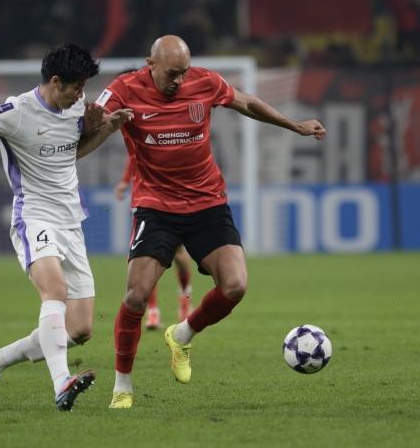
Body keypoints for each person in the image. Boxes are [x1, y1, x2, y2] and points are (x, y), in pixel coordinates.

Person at [96, 35, 326, 409]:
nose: (179, 80)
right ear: (150, 65)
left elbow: (247, 102)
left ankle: (182, 335)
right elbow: (92, 118)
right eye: (172, 73)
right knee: (136, 296)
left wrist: (294, 125)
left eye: (184, 73)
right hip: (156, 207)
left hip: (207, 203)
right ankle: (122, 386)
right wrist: (98, 124)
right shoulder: (124, 88)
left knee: (235, 285)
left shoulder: (205, 81)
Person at [0, 43, 133, 412]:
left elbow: (72, 151)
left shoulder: (77, 105)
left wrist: (108, 129)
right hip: (34, 217)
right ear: (55, 81)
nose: (81, 94)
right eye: (76, 87)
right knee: (55, 290)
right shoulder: (16, 111)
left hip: (71, 221)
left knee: (79, 329)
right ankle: (61, 383)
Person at [114, 155, 192, 329]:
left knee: (178, 253)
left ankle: (185, 297)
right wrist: (125, 181)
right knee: (145, 256)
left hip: (172, 196)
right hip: (145, 200)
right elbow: (134, 154)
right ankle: (153, 312)